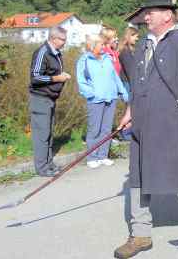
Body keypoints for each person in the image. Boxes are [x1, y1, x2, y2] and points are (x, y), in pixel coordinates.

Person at [114, 0, 178, 259]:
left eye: (151, 12)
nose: (146, 17)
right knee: (139, 174)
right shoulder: (144, 44)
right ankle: (141, 234)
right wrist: (129, 111)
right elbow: (139, 83)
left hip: (174, 122)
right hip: (143, 122)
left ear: (167, 15)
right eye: (145, 13)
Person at [76, 34, 128, 168]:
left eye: (104, 44)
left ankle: (103, 155)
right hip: (96, 100)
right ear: (93, 45)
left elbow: (115, 77)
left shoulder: (107, 58)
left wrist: (122, 91)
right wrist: (91, 94)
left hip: (111, 97)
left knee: (106, 129)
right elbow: (81, 80)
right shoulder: (85, 60)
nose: (104, 47)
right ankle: (92, 157)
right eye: (101, 44)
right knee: (95, 129)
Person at [29, 26, 71, 177]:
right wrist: (56, 78)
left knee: (49, 133)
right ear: (54, 38)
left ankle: (48, 164)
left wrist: (61, 75)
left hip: (51, 98)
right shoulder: (42, 52)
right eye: (63, 40)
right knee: (42, 135)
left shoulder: (56, 53)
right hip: (40, 98)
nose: (65, 43)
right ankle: (42, 168)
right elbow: (35, 77)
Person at [118, 26, 140, 141]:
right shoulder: (125, 52)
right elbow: (130, 70)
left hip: (130, 82)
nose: (137, 39)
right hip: (128, 83)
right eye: (135, 36)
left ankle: (127, 131)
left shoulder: (131, 50)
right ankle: (125, 133)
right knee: (130, 108)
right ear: (129, 36)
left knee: (130, 108)